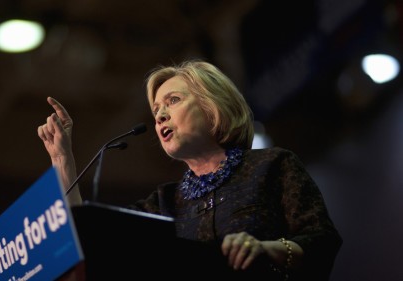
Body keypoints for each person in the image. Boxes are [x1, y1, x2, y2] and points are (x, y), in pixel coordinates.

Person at [37, 60, 342, 280]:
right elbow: (88, 241)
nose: (160, 116)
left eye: (173, 101)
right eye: (156, 110)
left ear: (212, 106)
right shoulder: (164, 203)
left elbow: (321, 242)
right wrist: (63, 161)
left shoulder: (272, 166)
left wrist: (265, 249)